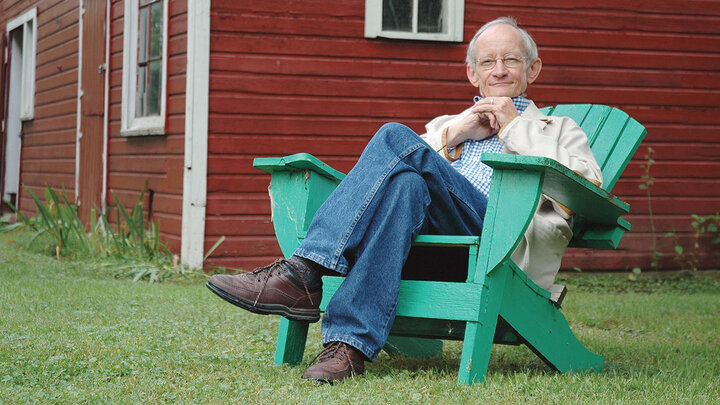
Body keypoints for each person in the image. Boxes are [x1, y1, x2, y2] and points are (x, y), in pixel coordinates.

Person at [206, 17, 602, 384]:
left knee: (395, 135)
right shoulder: (448, 126)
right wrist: (455, 134)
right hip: (423, 243)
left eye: (511, 60)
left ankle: (303, 272)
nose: (498, 70)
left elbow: (587, 185)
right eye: (488, 62)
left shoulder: (559, 129)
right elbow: (398, 166)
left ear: (532, 70)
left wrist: (515, 129)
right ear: (473, 73)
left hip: (497, 242)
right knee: (406, 186)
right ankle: (349, 347)